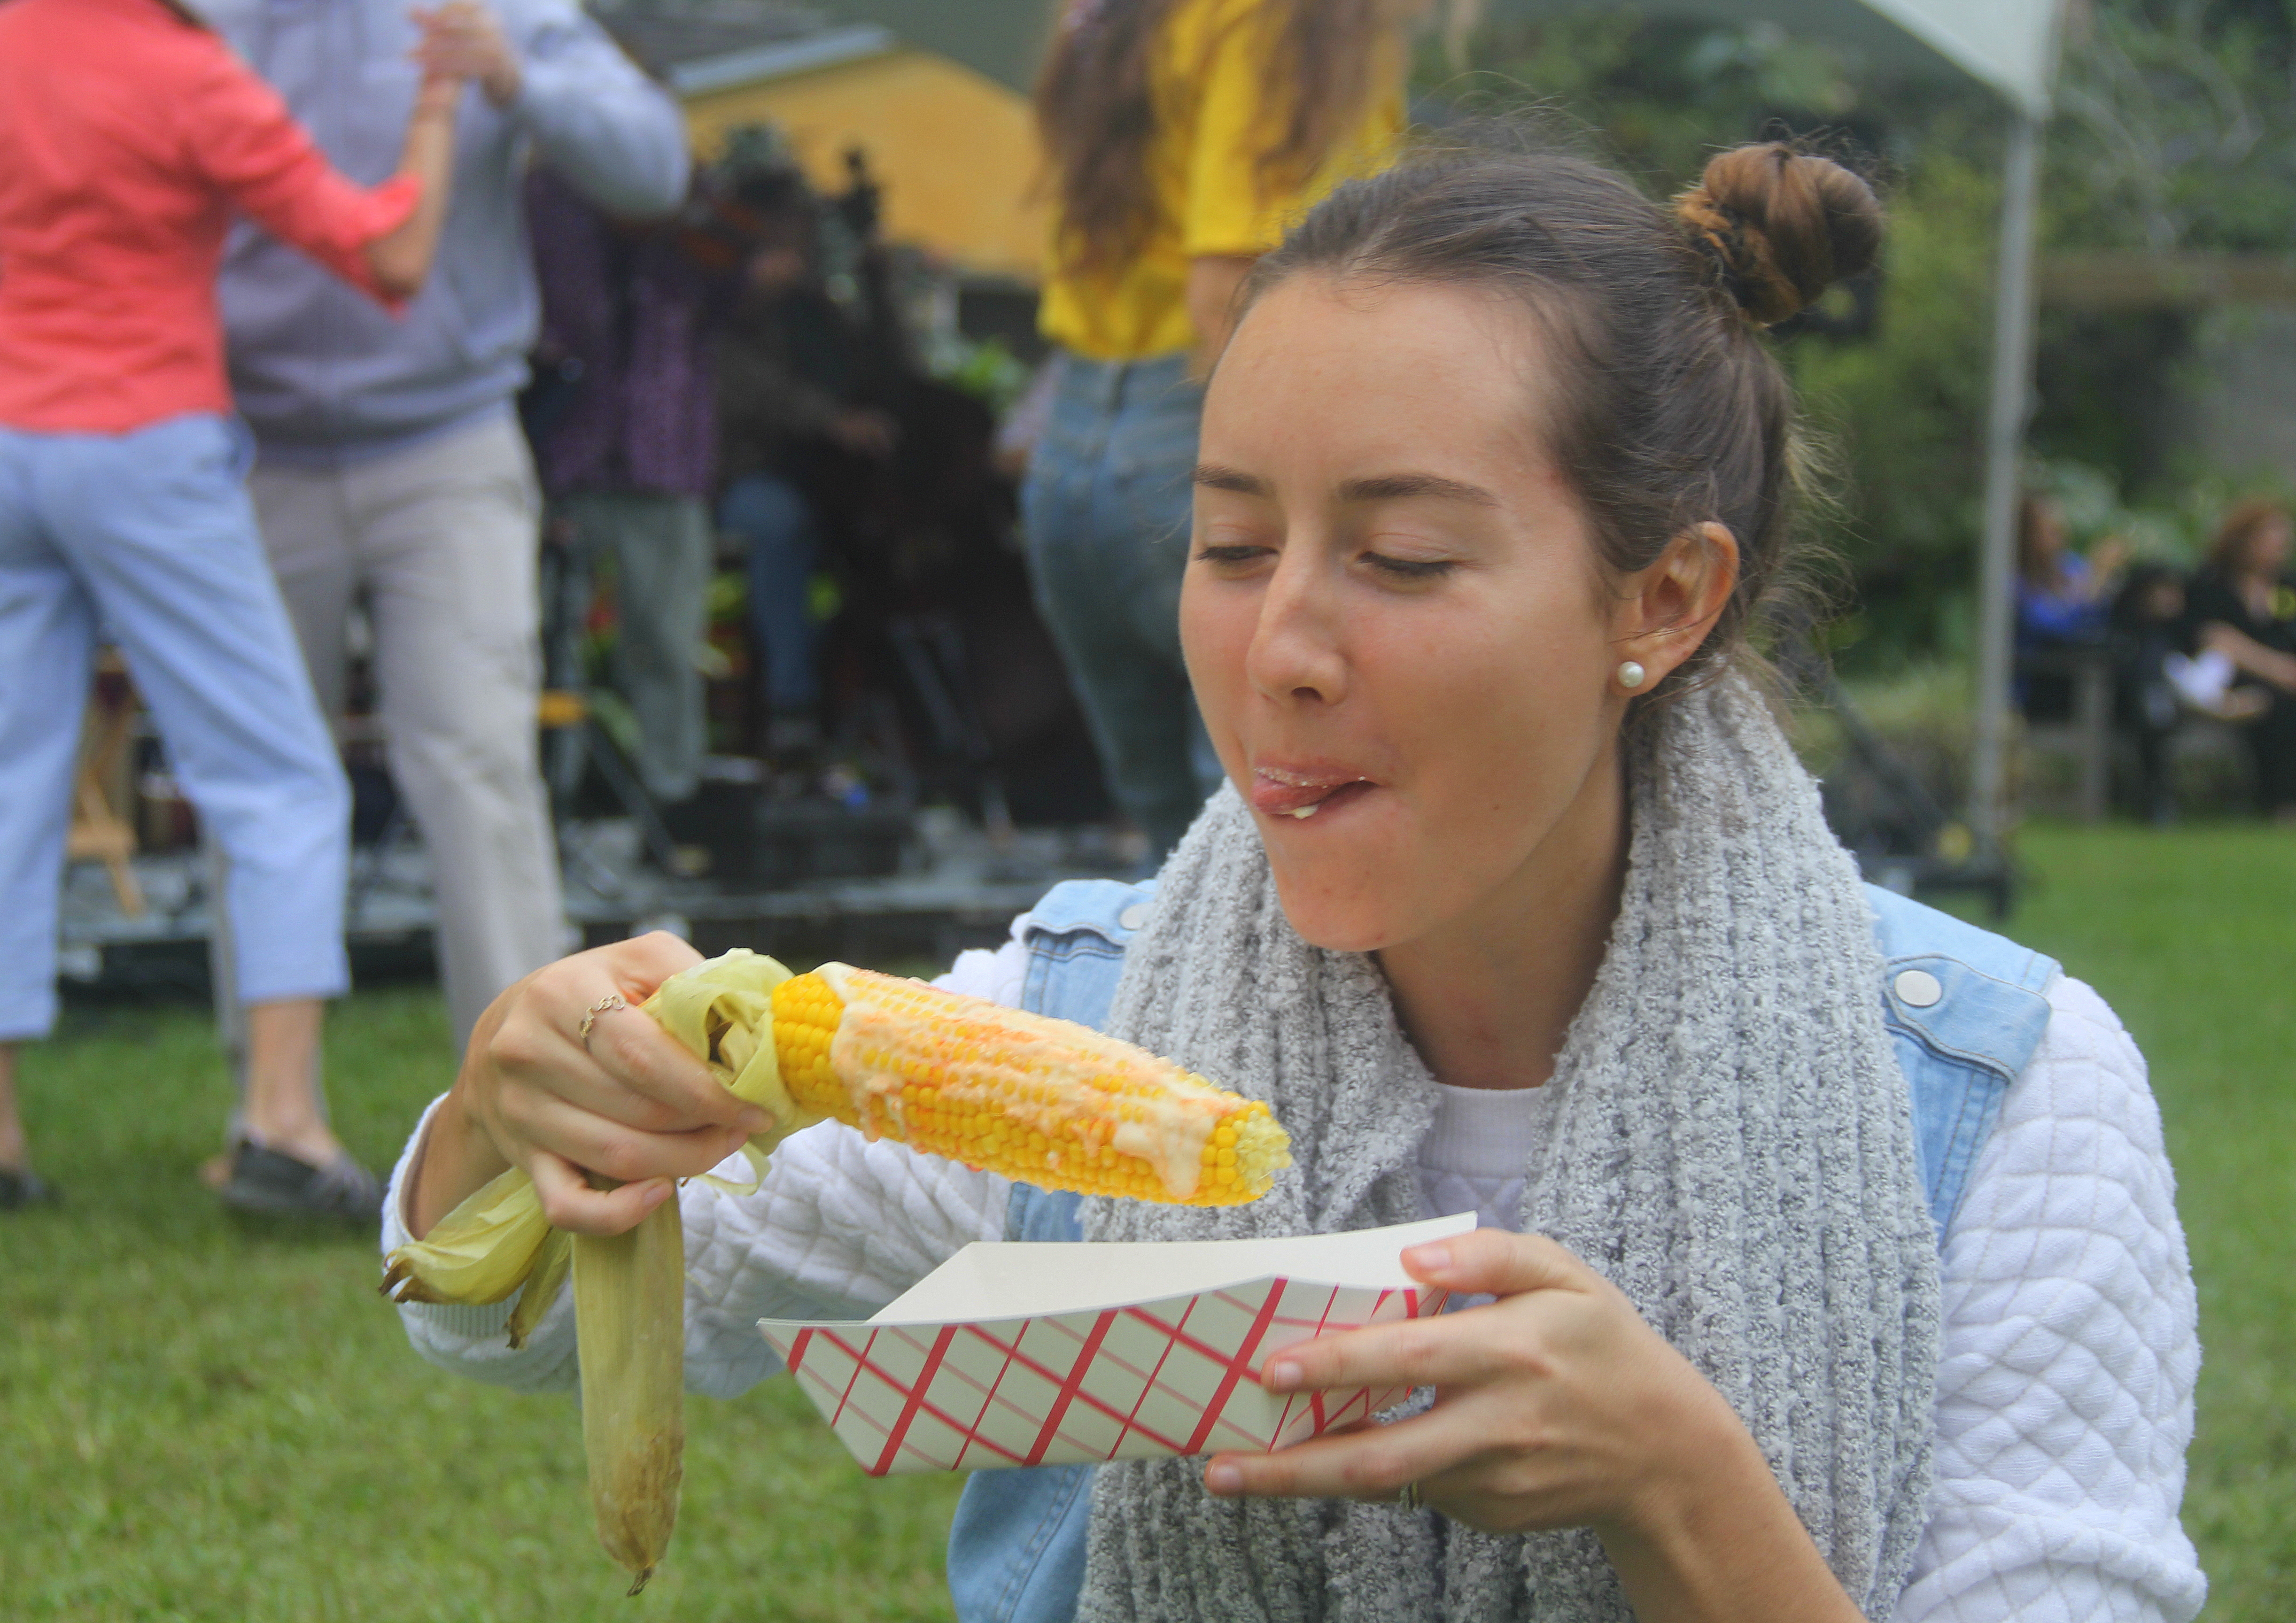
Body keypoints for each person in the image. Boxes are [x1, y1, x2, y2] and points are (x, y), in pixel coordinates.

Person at [380, 140, 2204, 1622]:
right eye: (1233, 542)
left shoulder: (2000, 1104)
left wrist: (1682, 1492)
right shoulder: (1072, 1019)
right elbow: (512, 1324)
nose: (1283, 651)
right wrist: (518, 1102)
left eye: (1402, 558)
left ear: (1663, 601)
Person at [0, 0, 463, 1220]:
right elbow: (389, 252)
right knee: (280, 780)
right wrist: (438, 105)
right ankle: (285, 1125)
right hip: (142, 439)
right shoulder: (193, 75)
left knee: (1, 781)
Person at [188, 0, 688, 1053]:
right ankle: (273, 1116)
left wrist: (518, 78)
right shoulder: (200, 11)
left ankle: (539, 1103)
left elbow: (655, 166)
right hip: (248, 447)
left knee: (477, 770)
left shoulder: (495, 6)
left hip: (446, 444)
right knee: (258, 778)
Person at [1022, 0, 1408, 862]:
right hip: (1195, 436)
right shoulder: (1286, 16)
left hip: (1076, 452)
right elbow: (1231, 284)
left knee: (1179, 863)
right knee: (1269, 855)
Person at [524, 164, 723, 806]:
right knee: (541, 642)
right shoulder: (545, 195)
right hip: (564, 453)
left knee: (665, 643)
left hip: (663, 460)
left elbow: (737, 288)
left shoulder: (698, 206)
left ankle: (673, 799)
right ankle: (545, 796)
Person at [713, 161, 898, 753]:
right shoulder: (719, 294)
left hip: (821, 473)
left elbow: (879, 363)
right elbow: (738, 383)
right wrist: (831, 421)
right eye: (788, 220)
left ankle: (875, 700)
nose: (801, 233)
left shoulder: (815, 300)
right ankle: (791, 703)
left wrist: (875, 272)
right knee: (780, 524)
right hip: (737, 475)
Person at [2185, 497, 2296, 819]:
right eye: (2271, 537)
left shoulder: (2286, 589)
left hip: (2285, 674)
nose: (2279, 547)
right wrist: (2281, 670)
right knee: (2276, 703)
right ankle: (2281, 802)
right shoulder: (2212, 586)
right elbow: (2218, 640)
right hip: (2230, 681)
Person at [2012, 493, 2127, 721]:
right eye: (2051, 530)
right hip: (2039, 680)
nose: (2061, 536)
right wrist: (2090, 590)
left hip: (2087, 674)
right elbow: (2049, 628)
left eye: (2062, 528)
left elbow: (2104, 617)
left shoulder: (2071, 566)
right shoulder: (2015, 581)